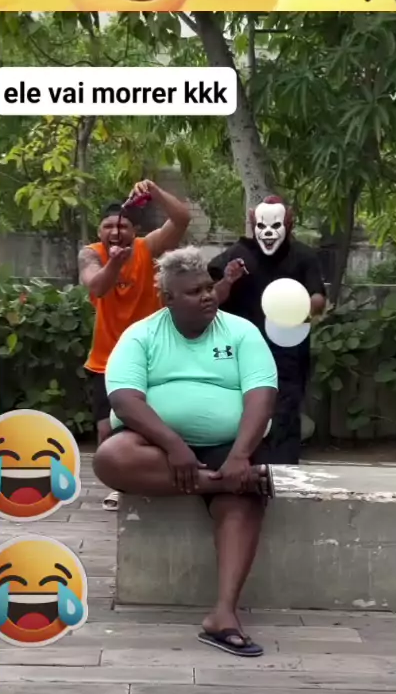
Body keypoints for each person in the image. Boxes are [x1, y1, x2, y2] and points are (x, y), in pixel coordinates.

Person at [93, 246, 278, 657]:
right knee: (110, 457)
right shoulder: (141, 335)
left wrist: (240, 456)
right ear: (168, 298)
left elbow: (262, 396)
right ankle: (222, 483)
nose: (208, 295)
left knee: (242, 504)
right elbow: (124, 399)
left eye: (208, 287)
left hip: (230, 447)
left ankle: (223, 615)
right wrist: (174, 444)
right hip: (157, 448)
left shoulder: (242, 332)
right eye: (194, 291)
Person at [79, 179, 191, 510]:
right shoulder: (91, 253)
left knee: (151, 423)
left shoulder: (146, 247)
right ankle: (117, 486)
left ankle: (151, 480)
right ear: (100, 231)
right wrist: (115, 261)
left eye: (123, 226)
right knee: (105, 428)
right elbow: (97, 286)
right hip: (106, 360)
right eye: (108, 226)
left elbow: (182, 219)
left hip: (151, 356)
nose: (115, 232)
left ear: (135, 230)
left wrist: (155, 191)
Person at [208, 195, 327, 464]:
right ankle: (237, 462)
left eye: (276, 225)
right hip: (239, 350)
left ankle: (283, 470)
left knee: (284, 410)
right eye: (262, 226)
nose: (269, 233)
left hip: (287, 350)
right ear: (253, 224)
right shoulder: (236, 255)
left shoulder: (303, 256)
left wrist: (302, 307)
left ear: (289, 223)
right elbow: (211, 297)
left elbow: (318, 298)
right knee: (240, 407)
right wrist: (228, 280)